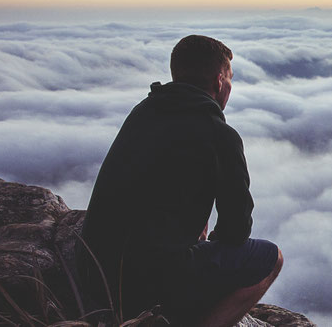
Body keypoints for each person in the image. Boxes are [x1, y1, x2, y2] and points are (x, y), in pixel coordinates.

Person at [79, 35, 283, 326]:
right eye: (230, 79)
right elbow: (236, 231)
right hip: (147, 286)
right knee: (271, 258)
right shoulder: (220, 135)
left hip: (93, 275)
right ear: (219, 80)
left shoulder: (142, 112)